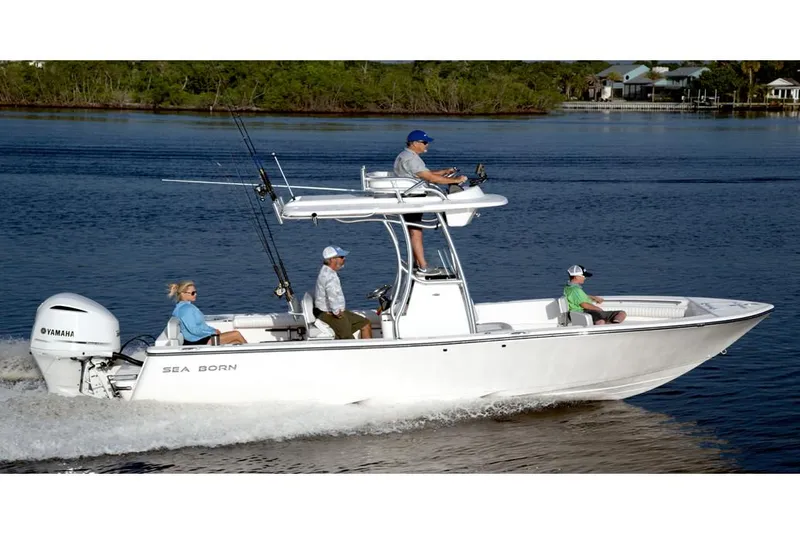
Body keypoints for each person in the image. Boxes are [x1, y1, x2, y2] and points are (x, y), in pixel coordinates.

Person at [393, 129, 467, 276]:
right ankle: (423, 267)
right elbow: (430, 178)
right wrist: (456, 180)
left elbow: (422, 174)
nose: (427, 145)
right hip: (413, 198)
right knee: (416, 232)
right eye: (425, 142)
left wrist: (444, 172)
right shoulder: (412, 159)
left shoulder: (405, 155)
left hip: (407, 196)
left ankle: (417, 263)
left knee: (413, 230)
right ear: (415, 143)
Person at [313, 246, 373, 340]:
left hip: (335, 311)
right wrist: (337, 312)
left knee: (365, 323)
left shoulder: (327, 271)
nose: (344, 259)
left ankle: (367, 348)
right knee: (347, 338)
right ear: (332, 259)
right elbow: (332, 295)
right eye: (341, 257)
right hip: (331, 314)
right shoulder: (329, 276)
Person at [167, 280, 247, 345]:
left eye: (195, 292)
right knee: (236, 334)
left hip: (199, 338)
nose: (195, 294)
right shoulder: (186, 309)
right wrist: (212, 332)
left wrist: (213, 330)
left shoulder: (183, 307)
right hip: (197, 341)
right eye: (192, 293)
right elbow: (193, 329)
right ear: (183, 294)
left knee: (236, 342)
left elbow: (201, 326)